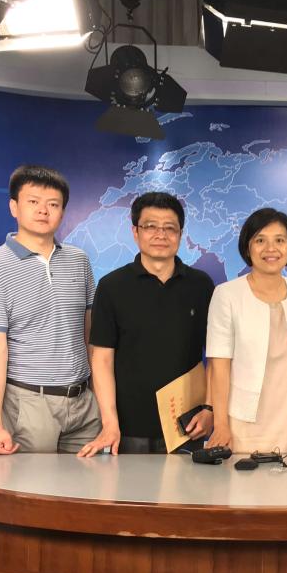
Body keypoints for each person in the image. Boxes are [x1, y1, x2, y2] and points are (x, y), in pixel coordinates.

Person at [0, 164, 100, 454]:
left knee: (86, 482)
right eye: (33, 201)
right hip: (29, 405)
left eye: (53, 204)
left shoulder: (79, 261)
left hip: (84, 404)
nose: (43, 210)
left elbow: (90, 333)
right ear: (13, 207)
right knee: (32, 483)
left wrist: (99, 398)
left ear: (62, 212)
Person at [78, 192, 215, 457]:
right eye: (150, 226)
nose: (160, 235)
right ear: (135, 232)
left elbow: (216, 357)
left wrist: (210, 409)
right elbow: (102, 359)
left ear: (181, 234)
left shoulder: (201, 285)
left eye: (170, 228)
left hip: (187, 425)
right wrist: (110, 423)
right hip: (128, 428)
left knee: (189, 485)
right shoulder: (112, 286)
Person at [206, 208, 287, 454]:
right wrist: (221, 424)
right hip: (243, 420)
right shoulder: (226, 295)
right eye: (260, 240)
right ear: (247, 248)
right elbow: (219, 365)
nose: (271, 249)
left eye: (279, 240)